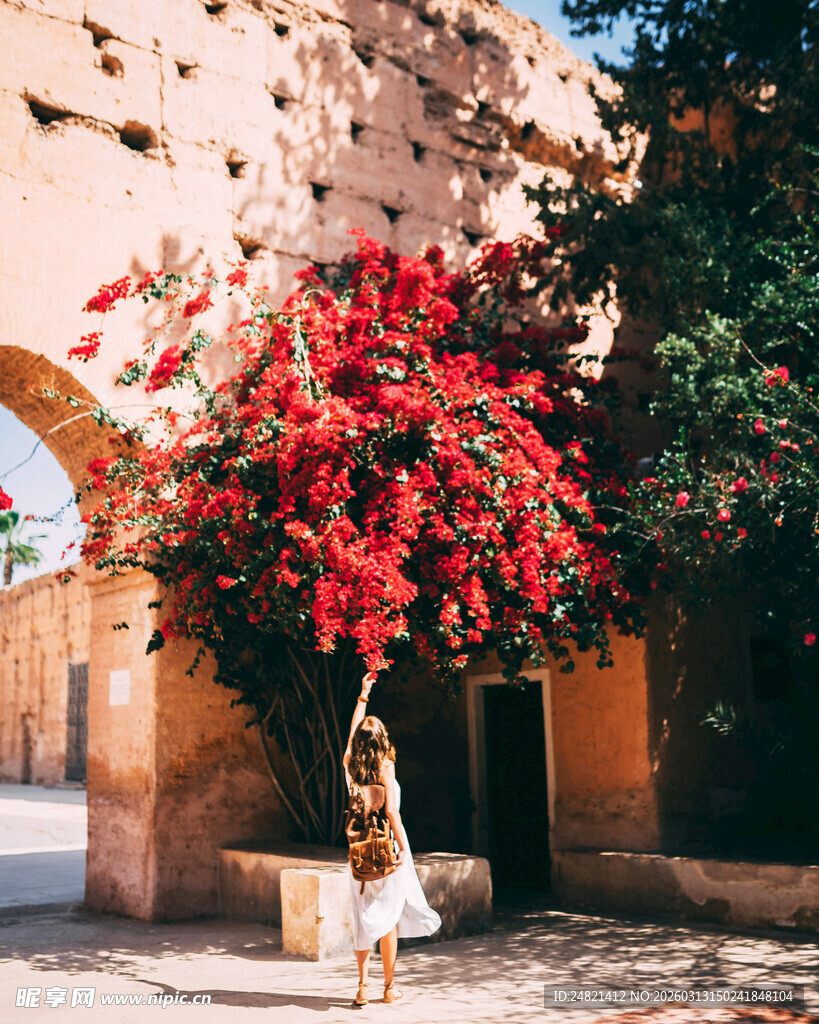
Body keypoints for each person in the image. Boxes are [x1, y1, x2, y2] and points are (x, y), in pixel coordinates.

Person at [342, 671, 442, 1007]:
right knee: (388, 921)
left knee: (362, 918)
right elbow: (393, 813)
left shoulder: (349, 764)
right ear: (382, 740)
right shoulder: (386, 766)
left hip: (358, 850)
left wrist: (363, 695)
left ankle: (361, 987)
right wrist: (403, 850)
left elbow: (354, 733)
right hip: (386, 848)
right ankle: (388, 988)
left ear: (358, 744)